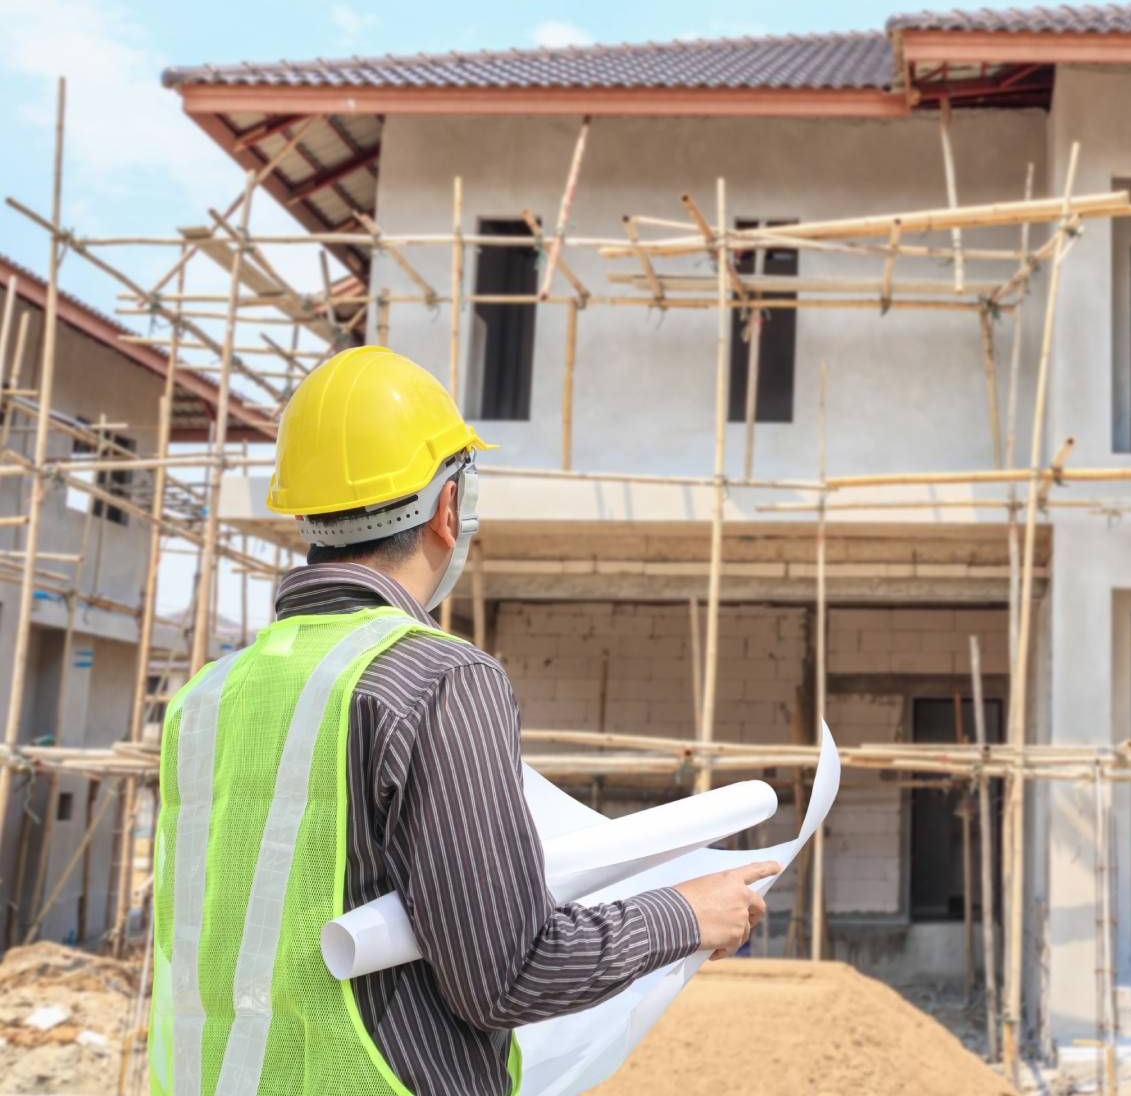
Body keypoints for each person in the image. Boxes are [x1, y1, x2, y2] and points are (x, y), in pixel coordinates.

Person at [149, 345, 775, 1095]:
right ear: (450, 508)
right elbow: (509, 973)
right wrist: (685, 913)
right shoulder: (437, 678)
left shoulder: (207, 698)